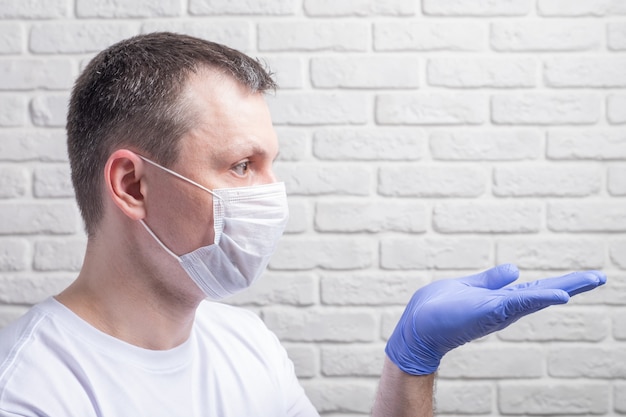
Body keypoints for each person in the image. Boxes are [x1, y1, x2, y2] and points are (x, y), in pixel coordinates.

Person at [0, 32, 606, 417]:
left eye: (271, 166)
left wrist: (410, 365)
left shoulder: (248, 346)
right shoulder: (34, 390)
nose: (271, 196)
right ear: (133, 185)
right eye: (241, 166)